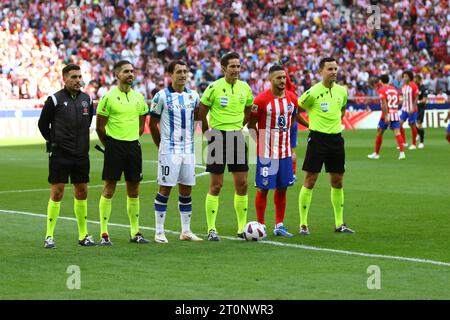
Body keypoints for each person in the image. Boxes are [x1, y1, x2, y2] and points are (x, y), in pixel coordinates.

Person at [38, 64, 96, 248]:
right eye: (74, 77)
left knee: (82, 192)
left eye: (79, 77)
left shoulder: (87, 99)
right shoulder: (54, 100)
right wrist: (54, 141)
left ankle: (83, 235)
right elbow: (42, 124)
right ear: (65, 79)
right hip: (60, 154)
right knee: (57, 192)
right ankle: (49, 236)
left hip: (81, 155)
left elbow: (88, 123)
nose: (78, 80)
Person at [198, 52, 254, 241]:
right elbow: (201, 112)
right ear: (223, 68)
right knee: (216, 185)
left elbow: (249, 110)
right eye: (232, 66)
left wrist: (239, 126)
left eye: (238, 66)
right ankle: (211, 229)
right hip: (217, 138)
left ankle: (241, 229)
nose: (236, 70)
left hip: (237, 137)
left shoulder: (245, 88)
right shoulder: (213, 88)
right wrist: (208, 134)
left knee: (242, 184)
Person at [248, 65, 308, 236]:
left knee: (282, 188)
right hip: (266, 154)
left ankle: (279, 225)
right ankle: (261, 225)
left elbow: (295, 116)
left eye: (284, 77)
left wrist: (310, 125)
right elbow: (251, 125)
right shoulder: (260, 101)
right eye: (278, 78)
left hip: (285, 153)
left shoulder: (292, 98)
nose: (282, 81)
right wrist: (260, 144)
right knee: (263, 188)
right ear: (270, 80)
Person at [297, 57, 355, 235]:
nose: (334, 72)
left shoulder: (342, 91)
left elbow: (342, 109)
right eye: (330, 69)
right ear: (321, 71)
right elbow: (296, 110)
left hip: (336, 140)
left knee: (337, 181)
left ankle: (339, 224)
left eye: (335, 69)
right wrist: (308, 125)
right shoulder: (312, 92)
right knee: (310, 180)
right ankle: (303, 224)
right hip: (317, 140)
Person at [96, 60, 150, 245]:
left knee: (134, 189)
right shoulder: (108, 97)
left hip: (133, 146)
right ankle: (104, 233)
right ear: (117, 75)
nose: (130, 74)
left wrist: (134, 135)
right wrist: (110, 145)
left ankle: (135, 232)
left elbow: (143, 121)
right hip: (115, 147)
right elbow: (99, 127)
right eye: (126, 71)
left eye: (132, 71)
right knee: (109, 188)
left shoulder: (139, 97)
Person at [149, 59, 203, 243]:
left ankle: (186, 231)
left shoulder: (194, 96)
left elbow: (197, 118)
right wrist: (161, 145)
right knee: (165, 189)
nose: (182, 75)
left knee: (186, 189)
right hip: (169, 150)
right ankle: (159, 232)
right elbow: (152, 123)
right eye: (178, 71)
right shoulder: (161, 96)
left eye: (185, 71)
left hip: (188, 150)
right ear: (170, 75)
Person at [368, 74, 406, 160]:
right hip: (395, 113)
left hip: (386, 114)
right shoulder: (394, 89)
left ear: (381, 81)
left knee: (379, 132)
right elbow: (399, 101)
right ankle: (402, 153)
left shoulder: (382, 90)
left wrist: (386, 115)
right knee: (397, 133)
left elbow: (384, 103)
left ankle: (376, 154)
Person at [399, 70, 419, 150]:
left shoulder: (413, 86)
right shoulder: (403, 86)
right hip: (404, 108)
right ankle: (404, 142)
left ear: (410, 77)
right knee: (399, 124)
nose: (404, 78)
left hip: (412, 109)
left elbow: (416, 97)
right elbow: (404, 97)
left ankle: (414, 144)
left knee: (412, 125)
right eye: (403, 76)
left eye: (406, 76)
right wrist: (400, 101)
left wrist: (413, 107)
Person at [415, 74, 428, 148]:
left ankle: (421, 142)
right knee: (412, 123)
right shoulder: (415, 87)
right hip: (414, 108)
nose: (414, 80)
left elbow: (424, 100)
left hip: (420, 108)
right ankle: (419, 133)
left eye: (416, 79)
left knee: (419, 124)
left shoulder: (423, 88)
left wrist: (418, 102)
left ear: (419, 80)